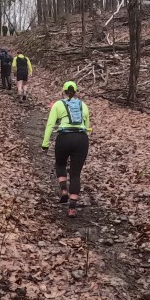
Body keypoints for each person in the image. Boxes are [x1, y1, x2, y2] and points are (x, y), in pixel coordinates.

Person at [41, 81, 91, 218]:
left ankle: (63, 190)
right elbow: (87, 127)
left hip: (64, 138)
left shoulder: (58, 104)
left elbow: (50, 125)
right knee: (75, 174)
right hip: (81, 139)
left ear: (63, 92)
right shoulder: (83, 105)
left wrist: (45, 144)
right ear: (75, 92)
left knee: (60, 163)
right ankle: (72, 208)